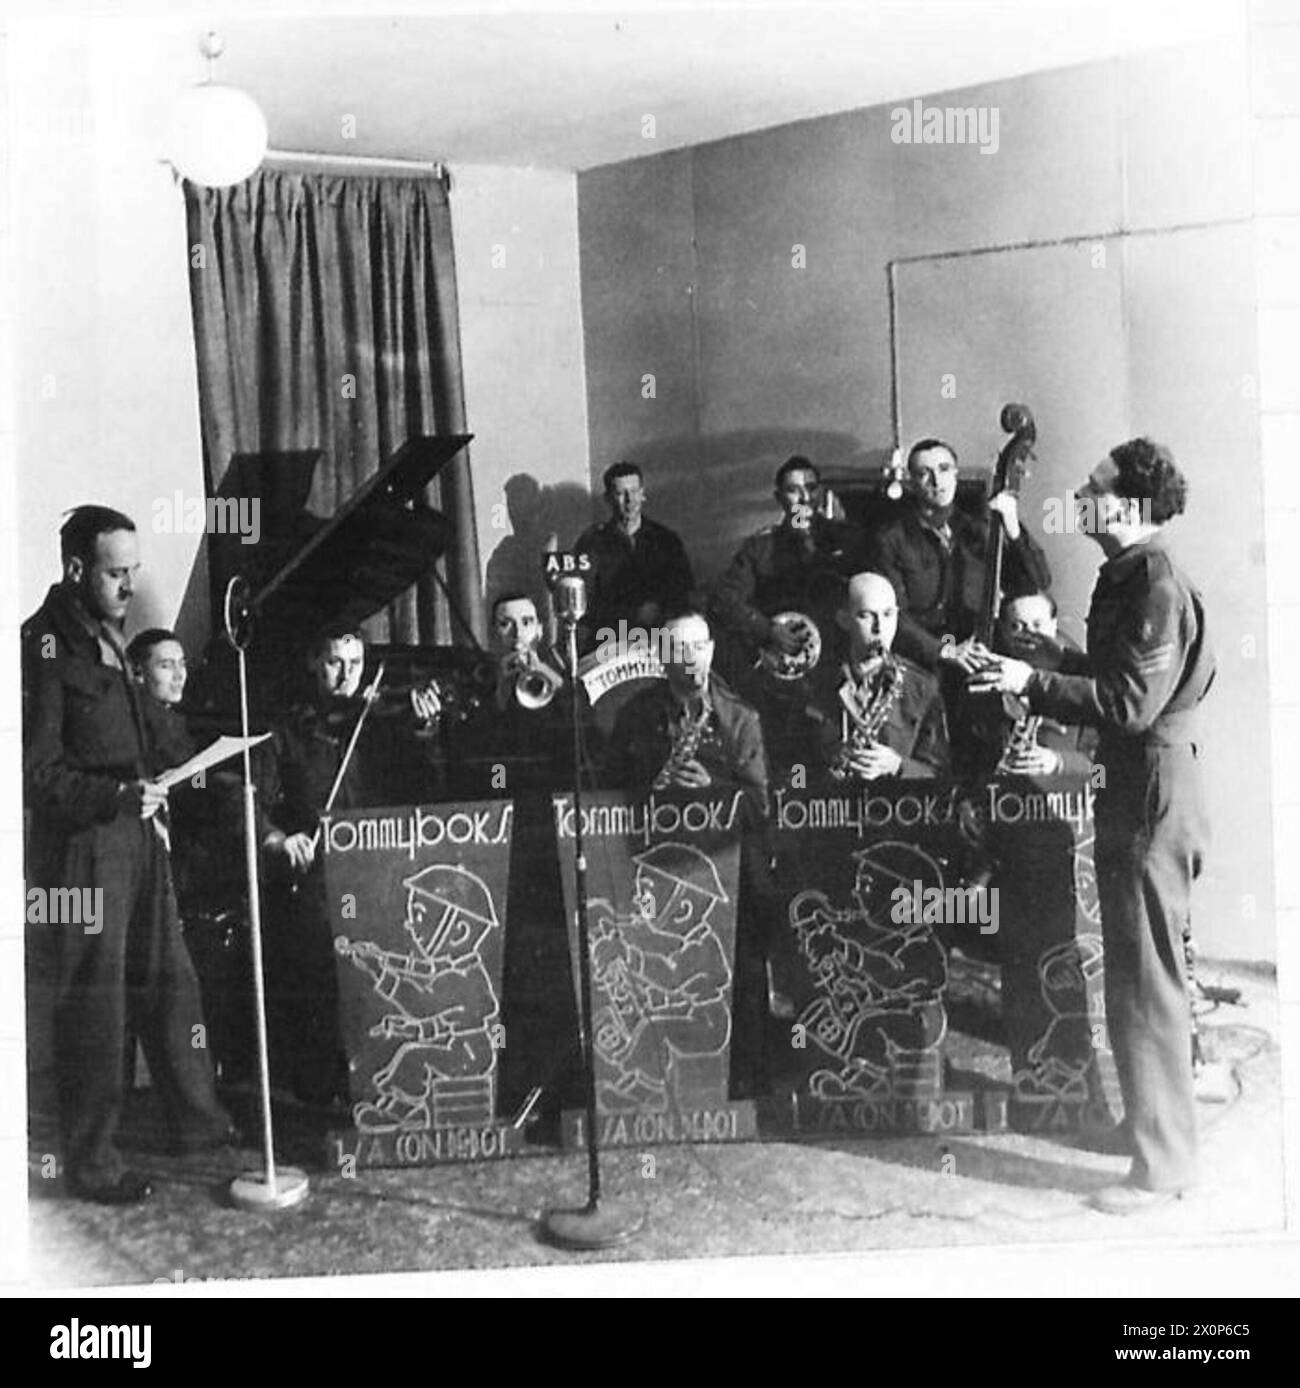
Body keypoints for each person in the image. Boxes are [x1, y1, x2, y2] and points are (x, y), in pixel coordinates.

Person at [969, 438, 1214, 1213]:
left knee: (1149, 982)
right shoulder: (1130, 577)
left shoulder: (1155, 585)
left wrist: (1028, 679)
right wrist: (1047, 662)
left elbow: (1130, 706)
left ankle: (1165, 1167)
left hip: (1151, 794)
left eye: (1096, 487)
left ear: (1133, 505)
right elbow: (1116, 684)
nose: (1082, 493)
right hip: (1133, 789)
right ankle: (1145, 1129)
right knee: (1130, 973)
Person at [23, 506, 233, 1204]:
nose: (127, 586)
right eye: (116, 573)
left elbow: (143, 738)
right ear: (76, 569)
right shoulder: (44, 647)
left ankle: (199, 1127)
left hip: (139, 835)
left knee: (170, 982)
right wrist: (116, 797)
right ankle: (91, 1164)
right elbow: (35, 774)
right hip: (85, 849)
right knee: (97, 1003)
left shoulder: (111, 638)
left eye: (134, 572)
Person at [605, 611, 772, 1098]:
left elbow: (762, 803)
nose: (692, 660)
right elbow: (609, 794)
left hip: (728, 870)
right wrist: (654, 787)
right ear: (662, 657)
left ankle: (746, 1083)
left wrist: (716, 790)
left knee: (740, 969)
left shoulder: (741, 717)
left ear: (712, 651)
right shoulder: (635, 716)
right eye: (679, 650)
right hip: (655, 866)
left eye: (699, 648)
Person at [256, 625, 425, 1107]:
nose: (347, 676)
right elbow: (255, 797)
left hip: (381, 872)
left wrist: (422, 729)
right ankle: (322, 1088)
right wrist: (277, 838)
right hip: (316, 875)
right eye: (335, 662)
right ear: (314, 663)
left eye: (356, 664)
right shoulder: (285, 727)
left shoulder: (380, 723)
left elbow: (424, 785)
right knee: (319, 971)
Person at [711, 455, 867, 769]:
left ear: (821, 493)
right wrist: (766, 630)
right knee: (784, 759)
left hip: (834, 676)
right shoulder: (760, 548)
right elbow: (725, 600)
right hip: (780, 683)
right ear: (779, 498)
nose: (805, 498)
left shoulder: (848, 540)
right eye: (794, 490)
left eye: (811, 488)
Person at [868, 438, 1051, 677]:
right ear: (912, 482)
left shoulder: (982, 530)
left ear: (955, 474)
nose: (937, 480)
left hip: (981, 656)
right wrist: (945, 651)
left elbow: (1037, 581)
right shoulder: (891, 538)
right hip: (922, 666)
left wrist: (1013, 527)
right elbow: (892, 614)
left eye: (944, 469)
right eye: (925, 473)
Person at [803, 572, 950, 782]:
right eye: (866, 615)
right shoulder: (813, 684)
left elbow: (941, 775)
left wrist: (898, 765)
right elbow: (793, 767)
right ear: (843, 619)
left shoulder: (923, 687)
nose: (879, 628)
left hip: (897, 808)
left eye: (888, 614)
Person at [961, 592, 1097, 780]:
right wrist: (948, 649)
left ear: (1054, 625)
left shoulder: (1083, 689)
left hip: (1064, 801)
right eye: (1017, 626)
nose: (1028, 635)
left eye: (1037, 625)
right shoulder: (984, 687)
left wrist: (1058, 763)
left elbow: (1105, 778)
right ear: (1002, 630)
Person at [574, 462, 694, 656]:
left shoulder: (666, 541)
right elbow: (584, 604)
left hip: (660, 642)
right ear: (608, 499)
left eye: (634, 491)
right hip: (609, 643)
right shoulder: (591, 543)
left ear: (643, 494)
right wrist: (632, 614)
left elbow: (682, 594)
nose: (629, 500)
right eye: (621, 493)